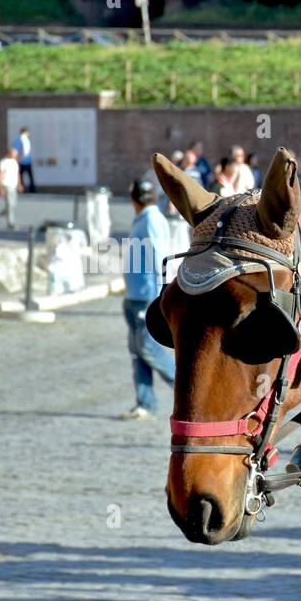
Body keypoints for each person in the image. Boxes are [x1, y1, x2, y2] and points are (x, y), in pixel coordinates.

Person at [121, 179, 175, 420]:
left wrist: (159, 294)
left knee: (149, 349)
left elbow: (159, 256)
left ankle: (186, 388)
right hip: (135, 295)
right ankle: (145, 403)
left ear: (133, 199)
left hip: (146, 297)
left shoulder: (151, 219)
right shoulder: (144, 218)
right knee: (137, 352)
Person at [0, 147, 22, 229]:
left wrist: (19, 184)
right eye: (14, 154)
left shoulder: (15, 162)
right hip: (6, 185)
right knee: (10, 204)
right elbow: (0, 175)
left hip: (14, 185)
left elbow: (17, 174)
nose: (16, 155)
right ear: (9, 153)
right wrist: (0, 188)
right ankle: (11, 222)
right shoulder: (3, 162)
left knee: (12, 205)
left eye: (16, 154)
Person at [14, 126, 36, 193]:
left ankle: (23, 189)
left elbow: (15, 150)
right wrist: (20, 158)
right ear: (25, 132)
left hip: (22, 160)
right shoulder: (24, 140)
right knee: (28, 176)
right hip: (24, 161)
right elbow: (25, 151)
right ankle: (31, 189)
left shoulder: (18, 140)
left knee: (21, 176)